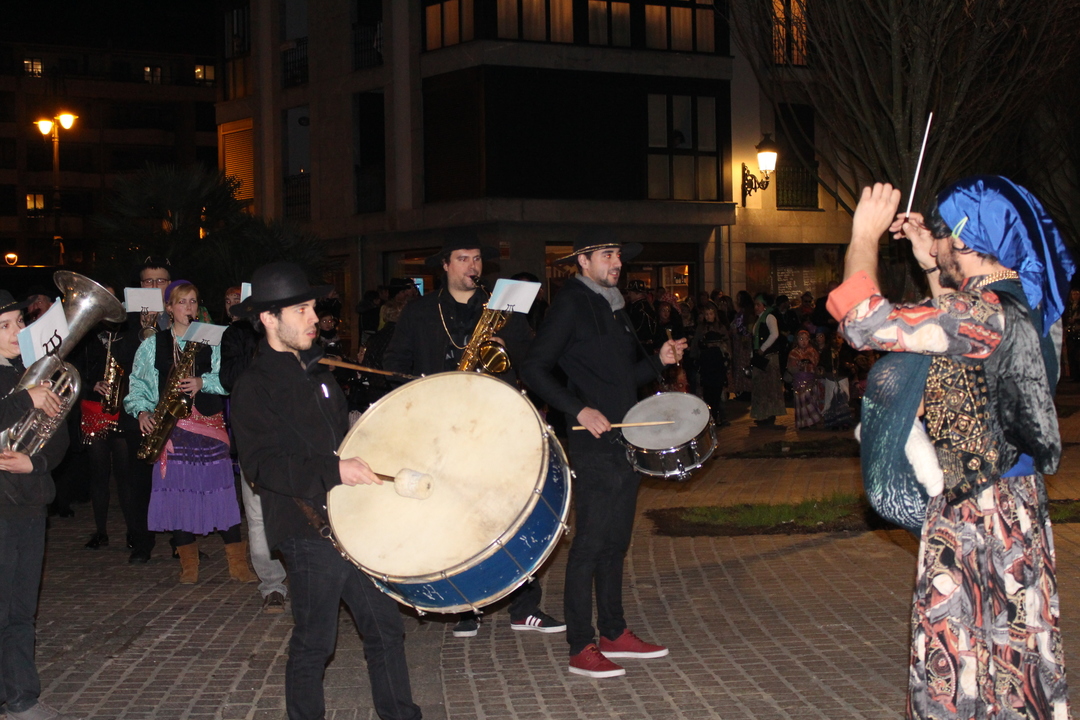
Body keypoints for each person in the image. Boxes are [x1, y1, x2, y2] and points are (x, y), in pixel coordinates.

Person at [828, 177, 1073, 719]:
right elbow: (955, 350)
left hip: (977, 516)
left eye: (942, 236)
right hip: (1010, 510)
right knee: (1007, 668)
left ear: (964, 240)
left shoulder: (982, 315)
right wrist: (932, 263)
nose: (933, 243)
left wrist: (863, 236)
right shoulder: (1019, 305)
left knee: (959, 667)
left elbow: (863, 323)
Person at [230, 262, 422, 720]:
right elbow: (262, 465)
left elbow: (340, 439)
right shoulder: (254, 386)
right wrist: (334, 470)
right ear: (269, 318)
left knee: (385, 629)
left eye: (313, 307)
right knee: (315, 642)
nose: (315, 317)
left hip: (351, 520)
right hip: (305, 527)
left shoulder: (319, 371)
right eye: (301, 309)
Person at [520, 228, 686, 679]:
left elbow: (620, 378)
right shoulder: (571, 303)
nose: (617, 262)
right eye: (608, 254)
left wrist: (659, 359)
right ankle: (581, 645)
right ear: (583, 260)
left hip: (625, 437)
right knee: (590, 544)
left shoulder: (614, 305)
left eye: (618, 255)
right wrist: (577, 408)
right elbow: (534, 367)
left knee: (616, 542)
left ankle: (614, 631)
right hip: (592, 440)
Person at [383, 229, 561, 639]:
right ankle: (466, 605)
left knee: (513, 513)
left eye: (477, 258)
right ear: (445, 265)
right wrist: (422, 392)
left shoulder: (504, 308)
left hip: (495, 423)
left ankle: (524, 607)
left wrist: (507, 347)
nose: (472, 266)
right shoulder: (420, 312)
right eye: (463, 258)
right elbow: (395, 364)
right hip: (441, 429)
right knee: (456, 518)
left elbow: (534, 360)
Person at [124, 280, 254, 585]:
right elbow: (138, 385)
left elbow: (228, 380)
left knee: (222, 493)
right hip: (172, 429)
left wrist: (202, 382)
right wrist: (142, 411)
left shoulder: (213, 339)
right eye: (182, 302)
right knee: (178, 497)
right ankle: (188, 566)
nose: (188, 307)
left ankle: (237, 564)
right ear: (169, 308)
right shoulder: (152, 344)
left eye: (193, 301)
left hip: (208, 427)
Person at [0, 289, 77, 720]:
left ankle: (22, 697)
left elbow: (58, 436)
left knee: (21, 611)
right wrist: (24, 399)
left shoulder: (34, 374)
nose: (17, 332)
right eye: (4, 326)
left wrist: (37, 462)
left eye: (18, 323)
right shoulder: (24, 387)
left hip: (29, 503)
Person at [220, 287, 289, 614]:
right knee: (258, 516)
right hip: (255, 437)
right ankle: (272, 584)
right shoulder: (236, 335)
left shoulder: (295, 333)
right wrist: (260, 353)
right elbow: (228, 379)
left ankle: (308, 578)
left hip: (291, 438)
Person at [121, 258, 172, 563]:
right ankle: (141, 542)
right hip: (139, 412)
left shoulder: (181, 314)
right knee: (139, 482)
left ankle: (182, 541)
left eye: (161, 281)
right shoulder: (127, 321)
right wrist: (141, 330)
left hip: (175, 411)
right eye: (148, 282)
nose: (154, 287)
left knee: (178, 479)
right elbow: (123, 361)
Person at [690, 300, 730, 425]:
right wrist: (695, 357)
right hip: (706, 364)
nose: (708, 316)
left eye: (711, 314)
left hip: (718, 364)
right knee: (706, 391)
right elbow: (695, 344)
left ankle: (721, 416)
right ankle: (707, 417)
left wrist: (727, 359)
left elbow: (727, 345)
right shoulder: (701, 328)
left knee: (719, 392)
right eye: (706, 314)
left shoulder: (721, 327)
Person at [749, 293, 785, 426]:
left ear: (764, 306)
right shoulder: (759, 320)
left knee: (769, 387)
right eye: (755, 305)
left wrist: (762, 348)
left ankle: (770, 414)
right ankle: (763, 414)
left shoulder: (769, 317)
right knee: (761, 387)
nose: (756, 307)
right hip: (761, 357)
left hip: (768, 357)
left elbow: (774, 334)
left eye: (758, 304)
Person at [785, 330, 821, 429]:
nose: (803, 341)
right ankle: (803, 423)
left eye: (806, 339)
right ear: (797, 340)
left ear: (809, 340)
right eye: (801, 339)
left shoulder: (813, 351)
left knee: (811, 401)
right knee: (801, 402)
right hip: (799, 381)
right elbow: (791, 368)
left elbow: (816, 364)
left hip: (811, 381)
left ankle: (812, 421)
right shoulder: (793, 353)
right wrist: (799, 366)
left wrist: (810, 364)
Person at [625, 280, 657, 354]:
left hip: (640, 347)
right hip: (644, 346)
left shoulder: (639, 307)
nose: (628, 294)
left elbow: (633, 328)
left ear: (636, 292)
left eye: (630, 292)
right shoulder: (644, 305)